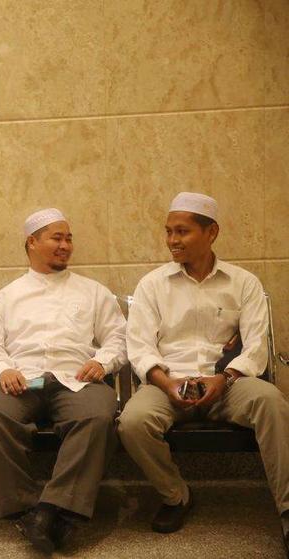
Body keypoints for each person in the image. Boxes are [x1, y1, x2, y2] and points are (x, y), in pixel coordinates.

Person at [118, 192, 289, 550]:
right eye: (168, 232)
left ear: (211, 232)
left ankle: (288, 511)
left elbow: (257, 345)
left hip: (227, 382)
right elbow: (140, 347)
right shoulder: (152, 285)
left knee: (272, 402)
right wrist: (167, 384)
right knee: (133, 422)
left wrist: (224, 377)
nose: (172, 241)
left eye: (182, 231)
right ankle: (176, 495)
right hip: (168, 381)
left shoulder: (243, 283)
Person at [0, 208, 127, 553]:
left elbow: (118, 339)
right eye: (57, 237)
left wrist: (101, 362)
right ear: (32, 242)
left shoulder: (93, 292)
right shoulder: (7, 296)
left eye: (68, 238)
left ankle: (56, 509)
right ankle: (25, 507)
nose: (65, 245)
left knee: (97, 415)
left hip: (75, 377)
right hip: (20, 379)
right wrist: (2, 369)